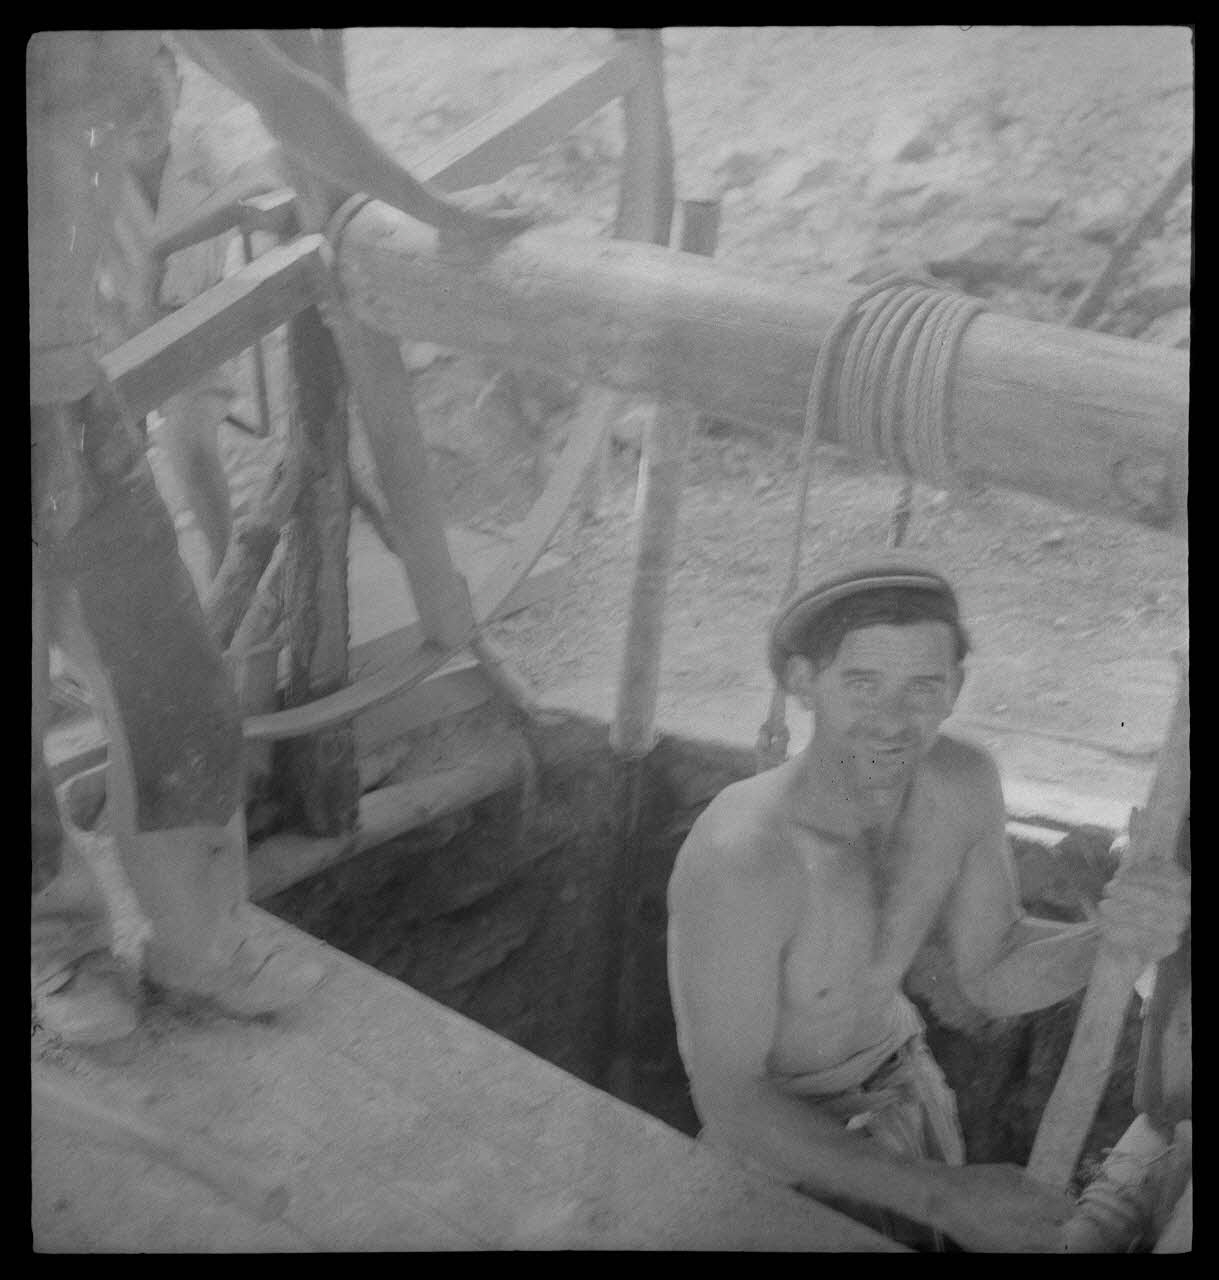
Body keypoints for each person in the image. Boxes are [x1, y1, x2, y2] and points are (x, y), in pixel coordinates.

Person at [30, 30, 535, 1045]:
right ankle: (56, 944)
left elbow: (284, 92)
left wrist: (428, 206)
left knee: (179, 697)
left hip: (79, 397)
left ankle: (196, 946)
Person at [666, 553, 1190, 1251]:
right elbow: (731, 1100)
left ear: (954, 688)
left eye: (921, 686)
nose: (892, 720)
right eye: (861, 684)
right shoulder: (745, 858)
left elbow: (993, 970)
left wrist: (1111, 941)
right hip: (779, 1151)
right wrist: (948, 1197)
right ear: (802, 681)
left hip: (903, 1096)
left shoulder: (960, 784)